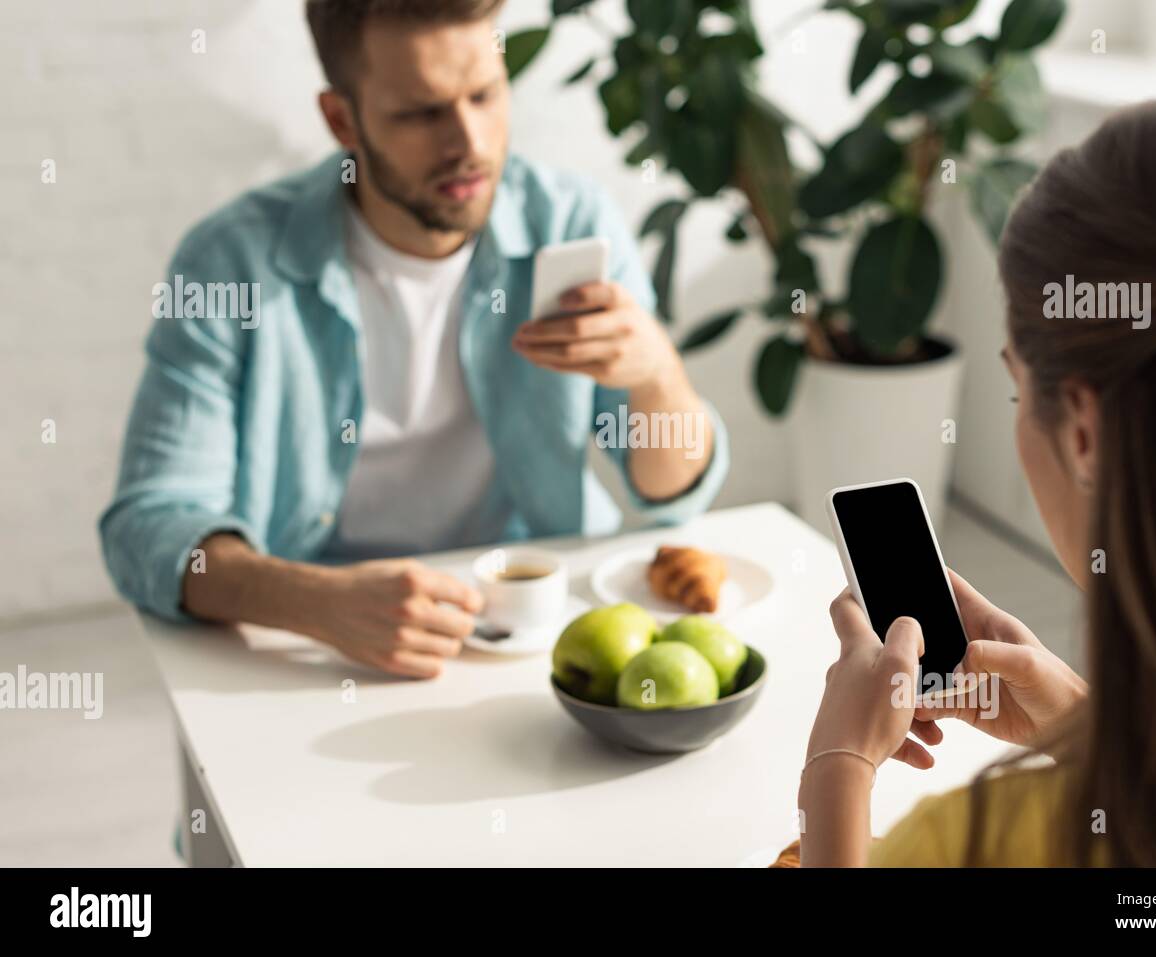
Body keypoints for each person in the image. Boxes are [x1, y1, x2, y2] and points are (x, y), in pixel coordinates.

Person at [98, 0, 728, 679]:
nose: (469, 142)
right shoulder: (231, 263)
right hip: (321, 648)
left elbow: (669, 494)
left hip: (538, 631)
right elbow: (150, 528)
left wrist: (657, 375)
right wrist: (314, 601)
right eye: (421, 113)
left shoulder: (571, 222)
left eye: (484, 94)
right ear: (342, 119)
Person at [787, 87, 1156, 867]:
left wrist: (839, 769)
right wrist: (1085, 730)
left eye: (1020, 391)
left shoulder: (984, 841)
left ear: (1087, 435)